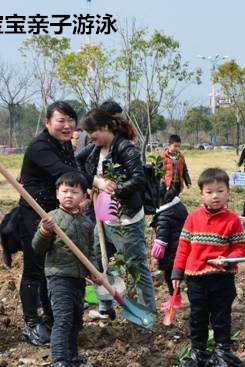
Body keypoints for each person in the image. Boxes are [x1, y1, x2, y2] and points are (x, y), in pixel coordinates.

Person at [15, 101, 88, 346]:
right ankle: (30, 323)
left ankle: (51, 318)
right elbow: (61, 172)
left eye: (70, 120)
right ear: (48, 123)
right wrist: (94, 182)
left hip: (56, 212)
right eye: (61, 121)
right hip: (33, 214)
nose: (67, 126)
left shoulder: (64, 144)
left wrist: (83, 196)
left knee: (51, 269)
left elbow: (73, 172)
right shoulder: (40, 147)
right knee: (35, 268)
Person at [77, 107, 156, 311]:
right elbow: (75, 162)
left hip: (126, 220)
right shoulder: (96, 149)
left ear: (104, 127)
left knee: (135, 266)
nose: (89, 138)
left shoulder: (125, 148)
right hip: (104, 218)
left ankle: (146, 311)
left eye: (92, 133)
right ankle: (105, 304)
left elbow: (139, 180)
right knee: (97, 261)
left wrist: (114, 189)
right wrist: (95, 182)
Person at [172, 168, 245, 367]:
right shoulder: (193, 218)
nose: (215, 196)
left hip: (222, 278)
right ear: (201, 194)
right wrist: (177, 272)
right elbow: (183, 247)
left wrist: (229, 259)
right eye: (210, 192)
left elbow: (240, 248)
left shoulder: (233, 221)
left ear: (228, 192)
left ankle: (222, 351)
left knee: (222, 315)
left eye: (220, 191)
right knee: (198, 316)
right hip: (196, 278)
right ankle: (199, 352)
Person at [32, 172, 99, 367]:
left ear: (84, 196)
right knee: (62, 319)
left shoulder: (86, 223)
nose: (69, 195)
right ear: (57, 194)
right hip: (58, 276)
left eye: (74, 192)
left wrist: (94, 270)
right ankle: (60, 361)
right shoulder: (51, 219)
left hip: (78, 278)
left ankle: (72, 356)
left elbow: (89, 252)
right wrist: (44, 232)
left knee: (76, 320)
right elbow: (38, 247)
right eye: (65, 191)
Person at [150, 184, 188, 311]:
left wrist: (156, 254)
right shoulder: (179, 207)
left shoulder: (164, 216)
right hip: (183, 249)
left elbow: (162, 238)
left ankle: (176, 299)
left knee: (171, 277)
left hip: (171, 253)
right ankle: (183, 297)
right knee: (186, 277)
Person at [161, 134, 192, 198]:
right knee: (167, 199)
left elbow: (184, 170)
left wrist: (188, 182)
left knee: (176, 198)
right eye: (175, 146)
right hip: (168, 184)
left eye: (179, 146)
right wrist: (161, 179)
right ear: (169, 145)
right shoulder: (163, 157)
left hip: (178, 183)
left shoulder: (181, 157)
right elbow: (158, 170)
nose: (177, 148)